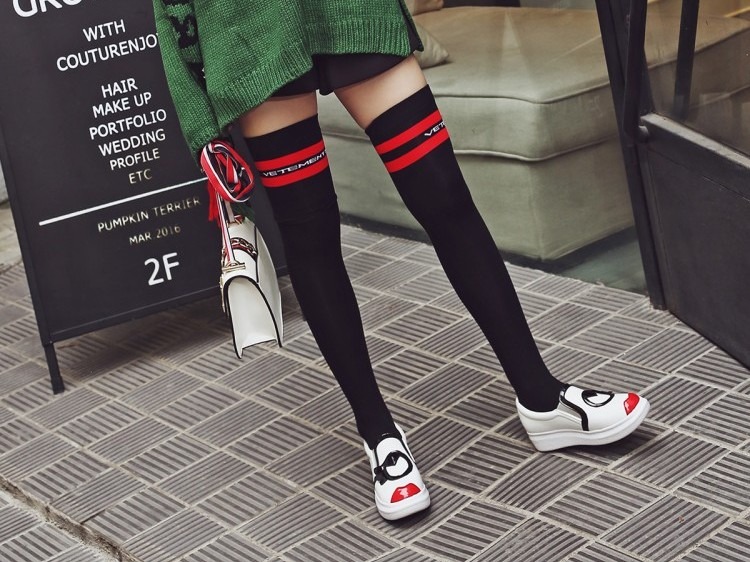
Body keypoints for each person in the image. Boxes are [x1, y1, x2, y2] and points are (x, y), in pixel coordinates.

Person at [152, 0, 650, 521]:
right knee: (312, 238)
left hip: (348, 12)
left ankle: (542, 399)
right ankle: (379, 434)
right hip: (248, 32)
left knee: (446, 197)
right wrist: (200, 125)